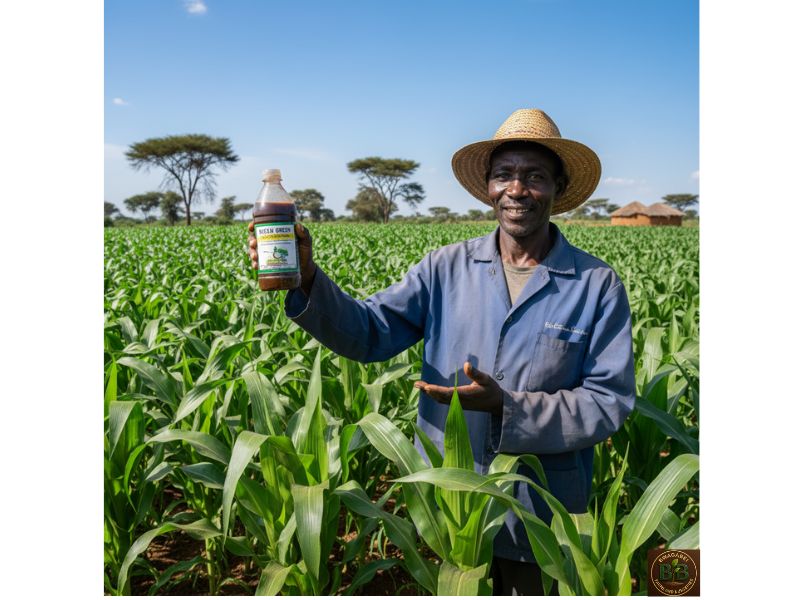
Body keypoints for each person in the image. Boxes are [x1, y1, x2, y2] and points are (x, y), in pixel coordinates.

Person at [248, 108, 635, 595]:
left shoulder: (596, 285)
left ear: (557, 189)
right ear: (489, 187)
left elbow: (608, 401)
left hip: (537, 516)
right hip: (446, 509)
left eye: (535, 177)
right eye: (505, 175)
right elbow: (370, 332)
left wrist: (507, 407)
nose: (518, 190)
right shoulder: (445, 268)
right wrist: (305, 277)